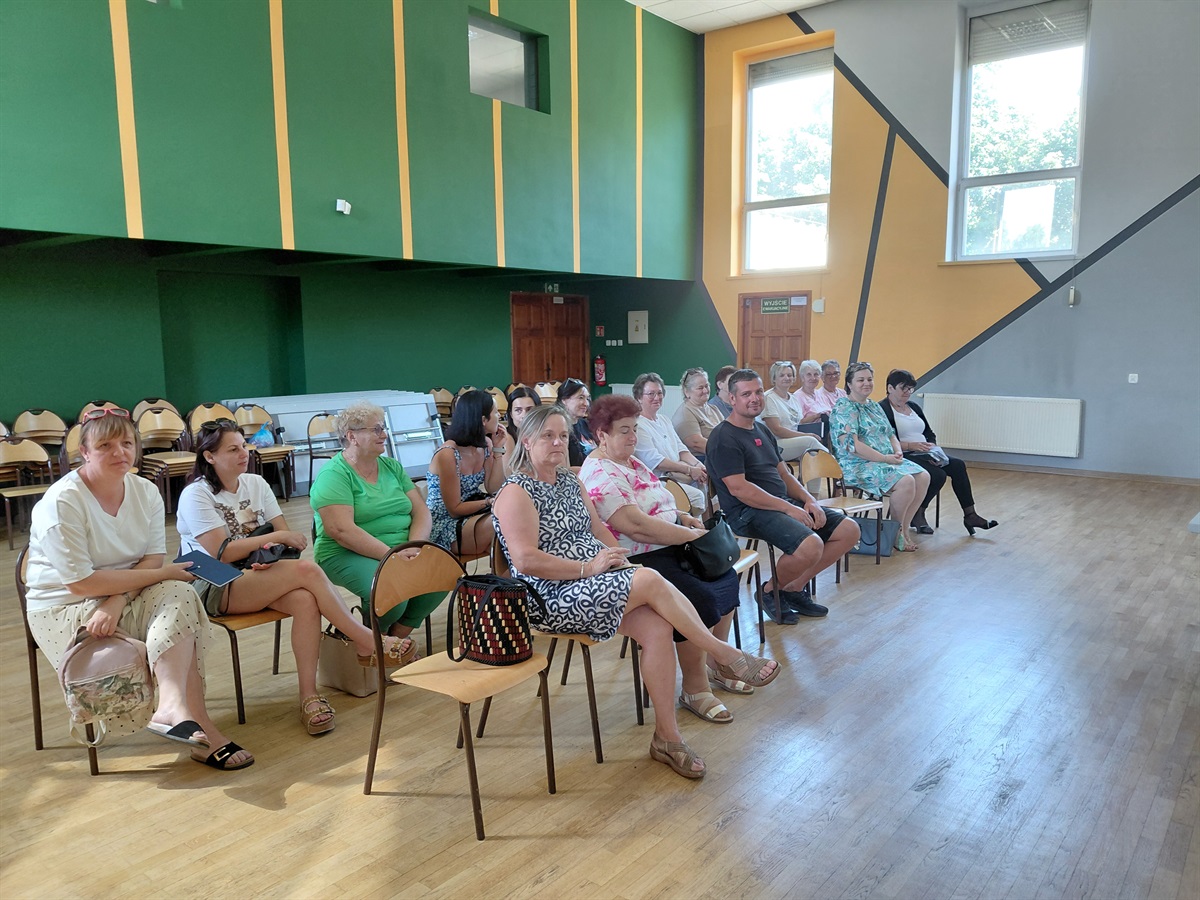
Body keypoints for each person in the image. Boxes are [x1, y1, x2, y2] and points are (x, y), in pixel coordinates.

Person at [493, 405, 780, 779]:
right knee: (648, 579)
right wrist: (590, 568)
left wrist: (616, 561)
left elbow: (598, 530)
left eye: (563, 435)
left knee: (658, 626)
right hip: (549, 595)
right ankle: (724, 654)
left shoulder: (568, 481)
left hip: (593, 579)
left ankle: (667, 738)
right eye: (548, 436)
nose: (558, 443)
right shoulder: (516, 491)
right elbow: (525, 560)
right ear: (527, 441)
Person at [23, 408, 254, 770]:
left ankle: (172, 707)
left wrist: (118, 600)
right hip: (64, 606)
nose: (120, 452)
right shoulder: (62, 501)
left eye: (127, 443)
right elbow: (81, 582)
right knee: (179, 605)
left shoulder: (145, 491)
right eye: (106, 445)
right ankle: (200, 728)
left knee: (182, 594)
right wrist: (125, 593)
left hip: (123, 594)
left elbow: (152, 559)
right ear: (84, 452)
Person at [176, 420, 411, 736]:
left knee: (304, 600)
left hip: (257, 573)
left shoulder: (256, 483)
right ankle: (365, 640)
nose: (243, 454)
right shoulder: (196, 494)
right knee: (308, 571)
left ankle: (309, 696)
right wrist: (275, 539)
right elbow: (222, 552)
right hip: (212, 580)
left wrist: (272, 550)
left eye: (244, 446)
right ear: (209, 457)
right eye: (233, 449)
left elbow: (286, 539)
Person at [581, 395, 745, 724]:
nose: (633, 437)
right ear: (602, 435)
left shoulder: (630, 462)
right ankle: (695, 688)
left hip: (669, 545)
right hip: (639, 559)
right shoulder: (600, 472)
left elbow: (660, 500)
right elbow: (636, 526)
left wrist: (683, 517)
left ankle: (717, 660)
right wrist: (690, 536)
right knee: (696, 596)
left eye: (635, 429)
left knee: (723, 574)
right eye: (624, 431)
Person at [707, 370, 860, 624]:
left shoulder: (761, 429)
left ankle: (792, 589)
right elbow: (739, 489)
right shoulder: (723, 437)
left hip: (779, 504)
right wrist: (788, 508)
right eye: (746, 394)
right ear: (732, 399)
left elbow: (783, 473)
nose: (754, 398)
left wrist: (808, 500)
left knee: (849, 530)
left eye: (758, 392)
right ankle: (770, 592)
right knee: (810, 545)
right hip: (747, 512)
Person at [309, 400, 441, 640]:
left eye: (383, 428)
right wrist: (392, 555)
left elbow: (421, 512)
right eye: (376, 429)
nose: (384, 434)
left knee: (439, 574)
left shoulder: (392, 467)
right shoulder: (334, 474)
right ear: (352, 436)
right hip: (344, 553)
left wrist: (414, 545)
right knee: (391, 588)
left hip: (399, 548)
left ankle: (396, 640)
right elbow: (341, 531)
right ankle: (372, 643)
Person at [881, 369, 998, 536]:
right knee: (938, 475)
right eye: (903, 388)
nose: (907, 392)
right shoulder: (882, 409)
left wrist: (933, 449)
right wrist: (911, 446)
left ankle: (970, 515)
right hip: (903, 454)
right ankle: (918, 513)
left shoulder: (913, 407)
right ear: (890, 388)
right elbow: (884, 442)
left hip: (924, 452)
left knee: (958, 465)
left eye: (910, 389)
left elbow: (929, 433)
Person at [829, 362, 931, 552]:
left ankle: (903, 529)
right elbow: (853, 446)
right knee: (906, 481)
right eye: (860, 380)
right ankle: (895, 533)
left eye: (869, 379)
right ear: (849, 384)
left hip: (885, 459)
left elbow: (890, 434)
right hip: (857, 464)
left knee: (923, 476)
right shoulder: (844, 408)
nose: (866, 383)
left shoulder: (874, 406)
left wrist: (897, 451)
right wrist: (885, 458)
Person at [426, 389, 506, 556]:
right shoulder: (448, 454)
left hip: (472, 515)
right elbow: (454, 509)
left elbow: (493, 487)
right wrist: (490, 502)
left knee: (513, 516)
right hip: (445, 525)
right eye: (495, 412)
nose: (499, 416)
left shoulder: (486, 444)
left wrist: (498, 451)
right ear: (483, 420)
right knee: (504, 520)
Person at [632, 372, 707, 513]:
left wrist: (698, 465)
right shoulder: (638, 425)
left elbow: (681, 449)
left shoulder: (664, 419)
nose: (657, 398)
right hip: (659, 480)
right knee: (697, 496)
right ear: (639, 397)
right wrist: (690, 470)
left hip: (678, 475)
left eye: (659, 393)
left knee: (705, 481)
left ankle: (706, 525)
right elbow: (656, 461)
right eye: (651, 394)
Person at [761, 360, 825, 462]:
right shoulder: (769, 398)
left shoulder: (793, 398)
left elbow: (798, 423)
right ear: (774, 378)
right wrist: (806, 435)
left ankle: (828, 466)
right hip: (775, 444)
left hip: (793, 441)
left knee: (811, 458)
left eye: (789, 375)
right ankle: (834, 464)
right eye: (782, 375)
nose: (786, 378)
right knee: (810, 442)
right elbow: (777, 430)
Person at [671, 367, 724, 460]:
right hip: (703, 460)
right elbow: (697, 444)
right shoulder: (685, 413)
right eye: (700, 388)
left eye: (707, 386)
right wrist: (729, 451)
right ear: (686, 392)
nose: (705, 390)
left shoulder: (713, 409)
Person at [499, 386, 541, 474]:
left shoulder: (545, 434)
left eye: (529, 409)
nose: (524, 415)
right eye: (518, 410)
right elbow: (510, 474)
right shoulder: (506, 438)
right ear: (511, 414)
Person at [557, 377, 596, 466]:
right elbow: (563, 469)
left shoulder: (586, 424)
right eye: (581, 398)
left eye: (587, 398)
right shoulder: (560, 429)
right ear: (564, 400)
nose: (586, 403)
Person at [793, 359, 835, 424]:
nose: (813, 378)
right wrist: (817, 416)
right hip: (810, 429)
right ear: (802, 378)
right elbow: (798, 423)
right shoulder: (797, 397)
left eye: (816, 374)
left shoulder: (821, 394)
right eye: (809, 374)